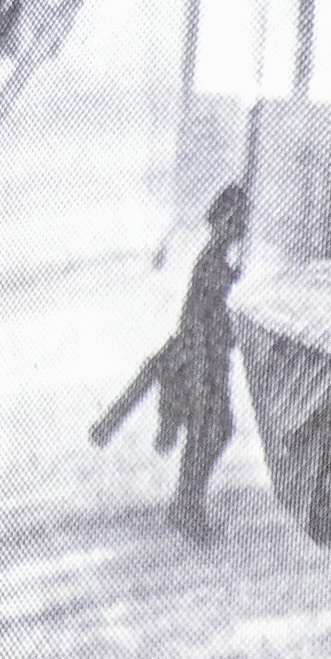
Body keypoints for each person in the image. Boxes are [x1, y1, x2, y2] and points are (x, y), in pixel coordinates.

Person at [88, 182, 248, 539]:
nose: (240, 227)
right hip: (199, 361)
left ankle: (186, 504)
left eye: (242, 220)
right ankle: (186, 507)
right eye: (235, 220)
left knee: (210, 431)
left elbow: (221, 318)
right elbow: (206, 319)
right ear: (222, 221)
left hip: (205, 359)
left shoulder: (218, 263)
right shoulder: (212, 265)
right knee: (211, 429)